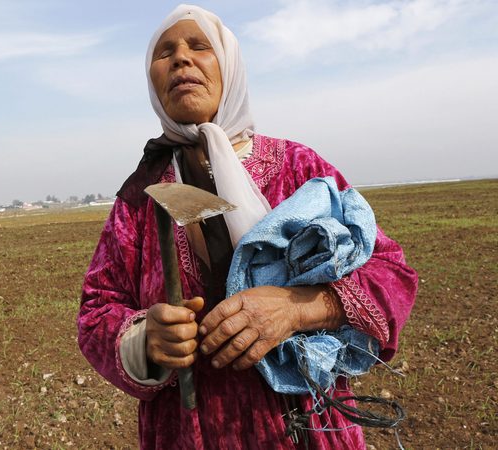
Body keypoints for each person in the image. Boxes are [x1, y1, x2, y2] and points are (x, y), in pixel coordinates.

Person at [77, 4, 417, 449]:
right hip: (188, 434)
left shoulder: (299, 168)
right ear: (152, 80)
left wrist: (297, 308)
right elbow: (96, 310)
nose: (181, 58)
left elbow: (391, 275)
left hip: (305, 429)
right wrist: (144, 340)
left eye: (200, 47)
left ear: (231, 67)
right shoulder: (141, 198)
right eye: (165, 52)